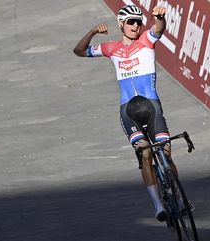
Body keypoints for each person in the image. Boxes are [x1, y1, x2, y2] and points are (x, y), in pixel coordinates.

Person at [73, 5, 177, 222]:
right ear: (121, 24)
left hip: (151, 107)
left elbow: (159, 28)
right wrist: (92, 32)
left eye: (138, 21)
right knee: (146, 153)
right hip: (128, 112)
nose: (135, 25)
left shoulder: (146, 40)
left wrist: (158, 18)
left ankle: (178, 197)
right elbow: (79, 51)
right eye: (130, 21)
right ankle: (158, 205)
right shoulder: (111, 48)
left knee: (166, 151)